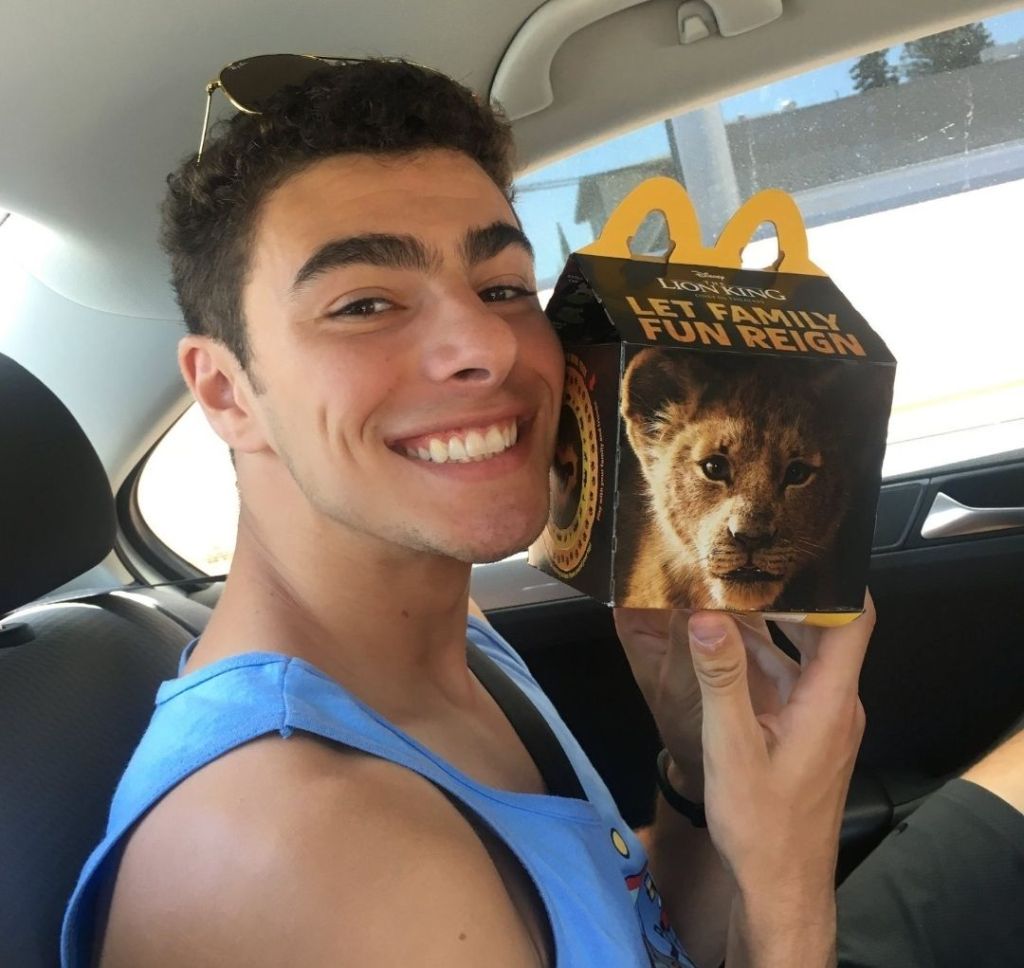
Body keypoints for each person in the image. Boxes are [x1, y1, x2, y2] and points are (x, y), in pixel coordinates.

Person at [60, 59, 1023, 968]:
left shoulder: (452, 640)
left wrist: (697, 783)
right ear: (225, 391)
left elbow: (637, 932)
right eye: (364, 304)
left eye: (504, 287)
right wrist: (788, 894)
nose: (485, 342)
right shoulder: (297, 851)